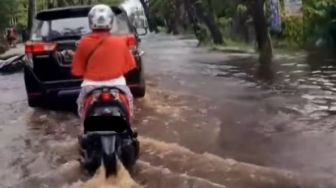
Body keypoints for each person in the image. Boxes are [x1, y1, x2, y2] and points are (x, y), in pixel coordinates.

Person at [71, 4, 136, 126]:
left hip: (91, 87)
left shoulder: (84, 42)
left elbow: (76, 71)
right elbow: (130, 66)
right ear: (111, 21)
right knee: (129, 102)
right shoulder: (120, 41)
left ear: (91, 21)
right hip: (118, 85)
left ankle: (83, 130)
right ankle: (129, 127)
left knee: (81, 105)